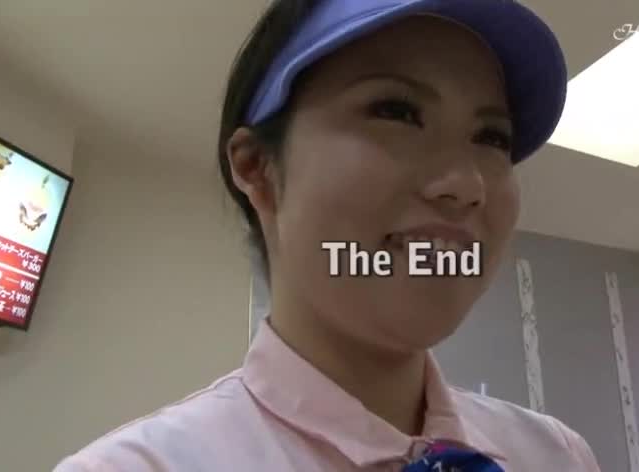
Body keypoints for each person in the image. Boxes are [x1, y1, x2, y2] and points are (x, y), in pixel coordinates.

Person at [56, 0, 601, 471]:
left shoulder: (556, 455)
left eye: (493, 137)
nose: (465, 185)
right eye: (396, 110)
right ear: (257, 167)